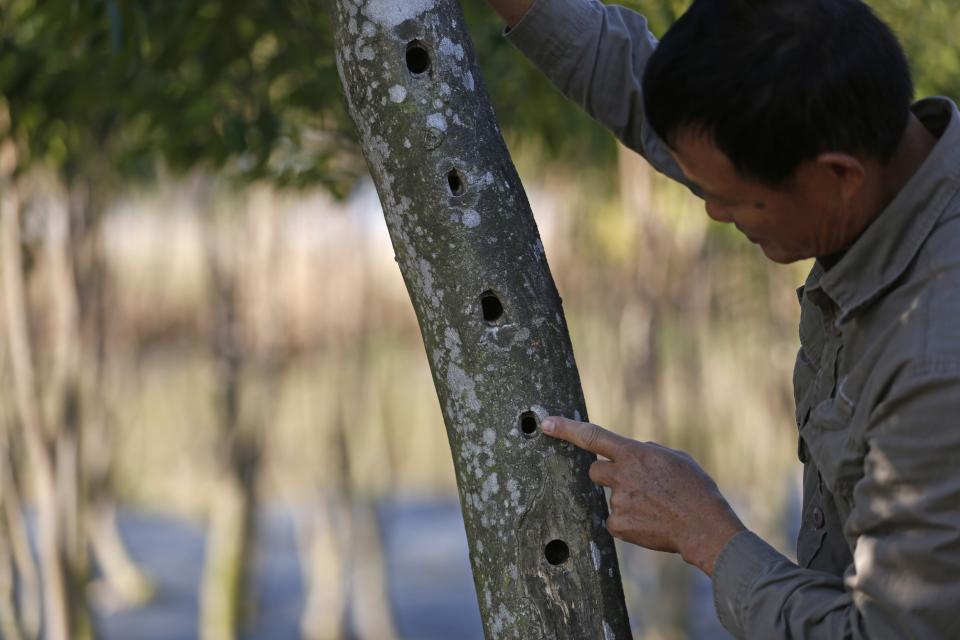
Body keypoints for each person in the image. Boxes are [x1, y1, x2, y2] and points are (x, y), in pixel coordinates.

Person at [483, 0, 960, 637]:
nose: (712, 213)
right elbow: (649, 98)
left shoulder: (935, 359)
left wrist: (706, 533)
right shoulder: (874, 159)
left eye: (732, 200)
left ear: (838, 176)